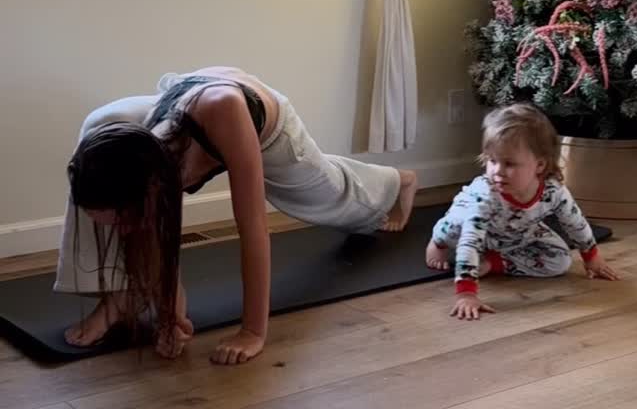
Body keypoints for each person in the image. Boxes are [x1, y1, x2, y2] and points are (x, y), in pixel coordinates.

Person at [56, 66, 417, 363]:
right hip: (190, 105)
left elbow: (254, 229)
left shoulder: (224, 114)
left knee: (328, 193)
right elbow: (156, 228)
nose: (123, 231)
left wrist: (252, 332)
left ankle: (398, 180)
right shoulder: (144, 156)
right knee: (99, 127)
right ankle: (121, 298)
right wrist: (171, 314)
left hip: (264, 127)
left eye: (124, 222)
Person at [425, 103, 619, 320]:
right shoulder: (485, 194)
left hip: (519, 233)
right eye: (492, 161)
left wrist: (591, 257)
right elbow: (470, 240)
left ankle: (495, 262)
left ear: (539, 165)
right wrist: (466, 294)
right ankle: (437, 241)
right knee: (454, 225)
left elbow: (575, 223)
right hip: (473, 231)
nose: (497, 171)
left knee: (561, 261)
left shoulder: (554, 191)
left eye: (509, 164)